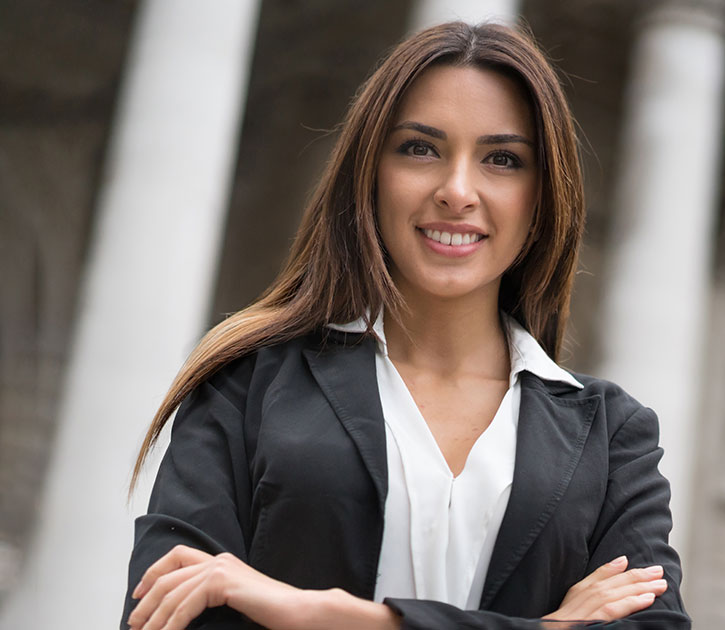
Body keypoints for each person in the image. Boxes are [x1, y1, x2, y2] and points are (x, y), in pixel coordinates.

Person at [120, 21, 688, 630]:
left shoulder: (611, 436)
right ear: (370, 172)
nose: (457, 191)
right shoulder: (246, 382)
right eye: (420, 148)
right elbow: (167, 614)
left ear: (543, 196)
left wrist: (333, 616)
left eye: (502, 159)